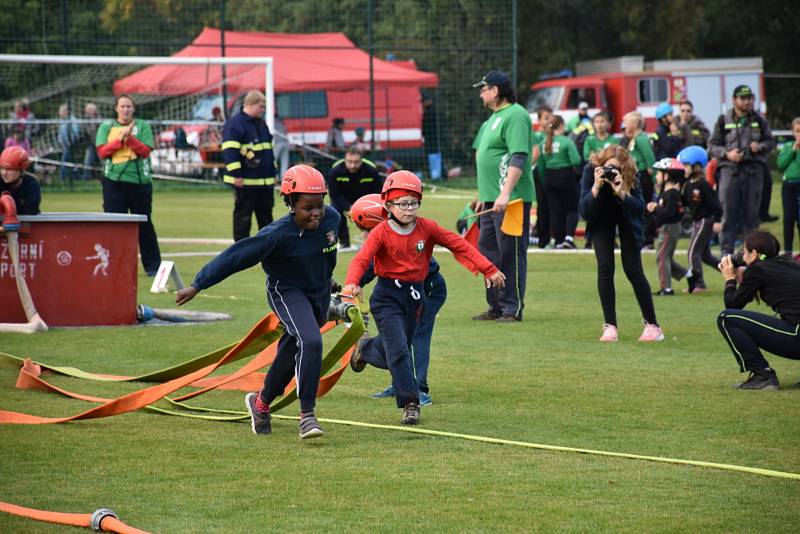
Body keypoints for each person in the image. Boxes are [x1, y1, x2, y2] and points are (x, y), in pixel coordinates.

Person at [176, 165, 338, 438]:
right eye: (308, 208)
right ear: (290, 203)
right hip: (286, 291)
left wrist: (330, 282)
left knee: (289, 355)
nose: (316, 214)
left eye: (319, 205)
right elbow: (236, 256)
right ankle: (308, 415)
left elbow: (324, 255)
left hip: (318, 293)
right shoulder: (277, 234)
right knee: (311, 341)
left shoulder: (332, 218)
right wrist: (198, 284)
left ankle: (261, 403)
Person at [343, 171, 505, 425]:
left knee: (395, 353)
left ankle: (364, 349)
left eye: (414, 202)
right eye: (402, 203)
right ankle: (411, 403)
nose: (409, 209)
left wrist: (489, 268)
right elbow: (363, 259)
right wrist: (352, 282)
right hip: (386, 297)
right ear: (388, 204)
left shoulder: (427, 228)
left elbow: (458, 244)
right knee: (398, 350)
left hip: (415, 297)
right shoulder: (381, 232)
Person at [347, 193, 446, 407]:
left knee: (416, 337)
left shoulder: (403, 234)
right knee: (396, 341)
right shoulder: (387, 233)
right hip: (400, 295)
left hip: (428, 292)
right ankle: (398, 381)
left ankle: (419, 388)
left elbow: (374, 266)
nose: (363, 236)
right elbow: (372, 264)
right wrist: (353, 284)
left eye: (365, 230)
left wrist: (358, 282)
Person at [578, 145, 664, 342]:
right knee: (605, 268)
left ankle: (653, 326)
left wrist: (622, 191)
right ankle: (610, 326)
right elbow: (584, 211)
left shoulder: (631, 174)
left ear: (624, 167)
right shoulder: (591, 171)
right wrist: (596, 187)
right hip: (600, 218)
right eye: (608, 167)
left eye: (615, 168)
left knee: (633, 270)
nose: (610, 172)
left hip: (626, 219)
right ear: (601, 164)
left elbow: (639, 209)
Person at [471, 70, 535, 322]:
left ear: (495, 91)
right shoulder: (492, 119)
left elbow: (519, 155)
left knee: (511, 253)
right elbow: (487, 159)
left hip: (512, 200)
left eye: (484, 88)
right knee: (489, 252)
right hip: (490, 199)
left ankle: (512, 308)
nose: (481, 93)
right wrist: (482, 194)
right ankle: (496, 305)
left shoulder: (516, 115)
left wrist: (505, 193)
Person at [717, 229, 800, 389]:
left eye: (744, 252)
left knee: (726, 318)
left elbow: (733, 304)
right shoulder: (788, 264)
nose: (741, 256)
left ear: (754, 254)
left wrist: (730, 279)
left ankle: (763, 375)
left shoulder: (758, 270)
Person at [95, 93, 161, 276]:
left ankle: (153, 267)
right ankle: (115, 265)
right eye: (122, 106)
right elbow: (102, 152)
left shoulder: (143, 126)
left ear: (134, 108)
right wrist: (119, 141)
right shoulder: (106, 127)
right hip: (113, 183)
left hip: (140, 183)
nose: (126, 109)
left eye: (129, 106)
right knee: (115, 225)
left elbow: (145, 151)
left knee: (144, 225)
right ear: (116, 108)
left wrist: (129, 139)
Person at [708, 85, 776, 255]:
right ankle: (726, 256)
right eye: (743, 98)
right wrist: (727, 154)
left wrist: (760, 146)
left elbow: (771, 142)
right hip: (729, 173)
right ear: (734, 100)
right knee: (728, 217)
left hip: (753, 173)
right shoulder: (723, 120)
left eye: (750, 98)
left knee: (751, 219)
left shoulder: (759, 120)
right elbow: (711, 146)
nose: (747, 101)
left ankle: (752, 256)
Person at [222, 90, 276, 242]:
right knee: (243, 217)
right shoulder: (235, 124)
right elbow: (230, 151)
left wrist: (273, 172)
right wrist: (236, 175)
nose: (263, 109)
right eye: (261, 106)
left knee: (266, 216)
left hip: (264, 181)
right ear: (251, 104)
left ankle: (268, 246)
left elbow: (268, 151)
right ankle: (240, 247)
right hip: (245, 181)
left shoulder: (261, 123)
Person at [679, 145, 722, 293]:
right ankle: (734, 272)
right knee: (705, 255)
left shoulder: (703, 184)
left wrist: (717, 220)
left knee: (692, 253)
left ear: (696, 166)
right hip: (697, 221)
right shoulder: (687, 185)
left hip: (705, 220)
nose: (683, 169)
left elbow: (715, 204)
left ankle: (699, 284)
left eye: (685, 166)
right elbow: (684, 202)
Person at [326, 146, 383, 250]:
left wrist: (366, 209)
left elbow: (378, 192)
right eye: (350, 161)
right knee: (334, 211)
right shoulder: (335, 171)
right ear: (345, 160)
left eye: (356, 162)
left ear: (361, 160)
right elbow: (334, 194)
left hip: (366, 201)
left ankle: (377, 240)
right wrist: (349, 207)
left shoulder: (371, 170)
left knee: (380, 210)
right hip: (343, 201)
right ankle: (345, 243)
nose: (352, 165)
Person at [539, 114, 581, 248]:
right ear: (562, 126)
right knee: (572, 209)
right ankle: (568, 239)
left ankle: (558, 241)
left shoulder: (544, 142)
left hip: (549, 177)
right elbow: (576, 160)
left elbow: (541, 165)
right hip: (565, 176)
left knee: (555, 211)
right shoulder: (566, 141)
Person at [647, 158, 687, 296]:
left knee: (662, 257)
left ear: (667, 176)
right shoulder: (668, 193)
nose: (657, 176)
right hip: (669, 228)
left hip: (669, 228)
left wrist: (655, 208)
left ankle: (666, 288)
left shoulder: (671, 194)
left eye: (659, 174)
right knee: (666, 256)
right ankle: (689, 274)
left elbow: (668, 213)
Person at [621, 111, 657, 248]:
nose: (624, 125)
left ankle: (648, 239)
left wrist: (652, 176)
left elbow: (649, 158)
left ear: (635, 124)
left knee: (645, 206)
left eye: (627, 122)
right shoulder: (634, 138)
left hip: (642, 175)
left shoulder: (641, 139)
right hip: (635, 174)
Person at [777, 118, 800, 257]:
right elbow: (781, 164)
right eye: (797, 131)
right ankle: (788, 252)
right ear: (793, 132)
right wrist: (792, 150)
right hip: (788, 187)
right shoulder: (787, 147)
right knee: (788, 219)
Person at [531, 105, 553, 249]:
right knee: (543, 207)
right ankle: (542, 239)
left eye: (550, 117)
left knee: (554, 207)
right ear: (539, 120)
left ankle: (556, 238)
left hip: (553, 175)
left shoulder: (556, 135)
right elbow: (534, 153)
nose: (549, 120)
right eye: (545, 118)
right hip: (539, 174)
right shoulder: (537, 136)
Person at [0, 146, 40, 215]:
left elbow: (31, 210)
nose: (4, 173)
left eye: (9, 169)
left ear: (22, 170)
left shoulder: (32, 184)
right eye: (2, 168)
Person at [57, 103, 80, 185]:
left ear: (66, 112)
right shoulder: (62, 121)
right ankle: (73, 178)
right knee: (70, 162)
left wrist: (71, 141)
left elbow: (76, 132)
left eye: (61, 111)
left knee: (65, 161)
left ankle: (63, 179)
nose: (59, 113)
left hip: (71, 145)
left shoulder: (72, 119)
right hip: (65, 145)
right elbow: (60, 134)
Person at [81, 103, 100, 181]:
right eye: (88, 110)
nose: (89, 111)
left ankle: (107, 177)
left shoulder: (99, 118)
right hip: (90, 144)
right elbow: (86, 131)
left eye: (91, 109)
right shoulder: (85, 120)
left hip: (100, 143)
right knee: (88, 161)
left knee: (104, 161)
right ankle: (86, 178)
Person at [273, 112, 290, 178]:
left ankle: (275, 177)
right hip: (285, 143)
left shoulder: (270, 121)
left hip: (277, 143)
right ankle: (284, 178)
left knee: (273, 161)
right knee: (284, 162)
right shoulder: (281, 122)